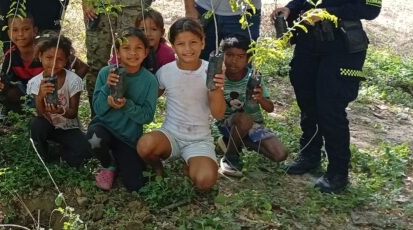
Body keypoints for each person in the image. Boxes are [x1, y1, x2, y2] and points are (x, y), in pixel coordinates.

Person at [272, 0, 384, 193]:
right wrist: (288, 9)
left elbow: (369, 9)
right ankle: (309, 155)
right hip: (309, 41)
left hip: (341, 45)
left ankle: (338, 171)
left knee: (330, 106)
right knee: (307, 100)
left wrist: (330, 12)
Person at [136, 18, 226, 191]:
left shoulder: (212, 72)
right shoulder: (166, 71)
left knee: (204, 182)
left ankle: (191, 162)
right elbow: (149, 98)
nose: (188, 49)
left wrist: (216, 89)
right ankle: (158, 169)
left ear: (203, 42)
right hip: (170, 135)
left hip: (198, 139)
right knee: (145, 145)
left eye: (193, 42)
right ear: (173, 46)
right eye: (181, 43)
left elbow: (219, 114)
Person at [87, 28, 158, 191]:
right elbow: (97, 108)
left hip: (128, 138)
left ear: (146, 52)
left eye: (138, 48)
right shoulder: (106, 73)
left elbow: (147, 116)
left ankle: (122, 159)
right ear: (117, 52)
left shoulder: (150, 81)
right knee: (94, 139)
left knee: (135, 185)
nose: (132, 53)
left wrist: (127, 105)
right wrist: (108, 87)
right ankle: (109, 164)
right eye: (126, 48)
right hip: (104, 128)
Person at [216, 35, 287, 177]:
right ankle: (230, 157)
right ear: (222, 55)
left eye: (241, 56)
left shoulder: (253, 77)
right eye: (229, 55)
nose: (234, 61)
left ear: (248, 59)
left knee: (280, 154)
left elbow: (270, 108)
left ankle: (234, 142)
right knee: (244, 119)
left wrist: (260, 98)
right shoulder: (218, 77)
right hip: (227, 124)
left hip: (254, 125)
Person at [28, 34, 91, 167]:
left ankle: (60, 152)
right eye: (49, 58)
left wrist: (61, 110)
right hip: (48, 126)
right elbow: (39, 112)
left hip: (69, 128)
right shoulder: (35, 82)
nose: (53, 63)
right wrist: (40, 96)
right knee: (36, 124)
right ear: (40, 57)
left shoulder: (73, 80)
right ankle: (44, 151)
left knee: (85, 150)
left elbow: (73, 112)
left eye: (59, 59)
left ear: (67, 60)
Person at [110, 9, 175, 74]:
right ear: (136, 31)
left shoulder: (167, 54)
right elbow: (112, 69)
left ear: (162, 32)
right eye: (142, 29)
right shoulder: (125, 48)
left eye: (154, 29)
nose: (148, 34)